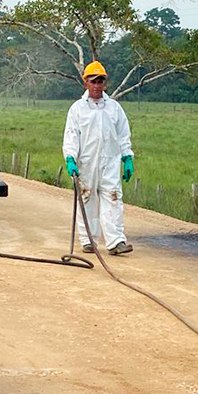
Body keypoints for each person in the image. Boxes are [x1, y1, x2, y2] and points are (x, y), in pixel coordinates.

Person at [62, 61, 134, 255]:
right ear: (85, 82)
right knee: (87, 199)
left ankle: (116, 241)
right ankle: (88, 241)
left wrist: (127, 157)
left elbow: (123, 134)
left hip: (110, 162)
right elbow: (71, 135)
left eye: (100, 81)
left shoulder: (114, 108)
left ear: (105, 83)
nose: (96, 85)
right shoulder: (77, 109)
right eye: (93, 81)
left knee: (113, 199)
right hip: (86, 163)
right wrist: (70, 159)